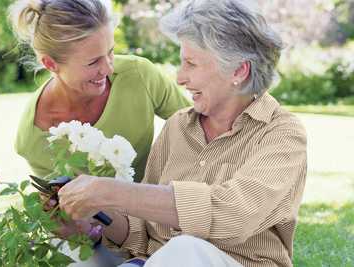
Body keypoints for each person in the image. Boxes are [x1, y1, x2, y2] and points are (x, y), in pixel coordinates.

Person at [58, 0, 307, 267]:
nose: (180, 78)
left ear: (238, 70)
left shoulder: (282, 134)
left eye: (191, 64)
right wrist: (91, 217)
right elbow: (142, 233)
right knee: (82, 261)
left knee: (185, 251)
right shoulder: (178, 126)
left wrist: (109, 191)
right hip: (155, 261)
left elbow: (233, 215)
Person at [10, 0, 191, 183]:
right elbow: (59, 204)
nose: (108, 69)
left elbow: (201, 127)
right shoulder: (34, 139)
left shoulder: (139, 75)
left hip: (164, 200)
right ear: (50, 64)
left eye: (110, 52)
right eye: (92, 62)